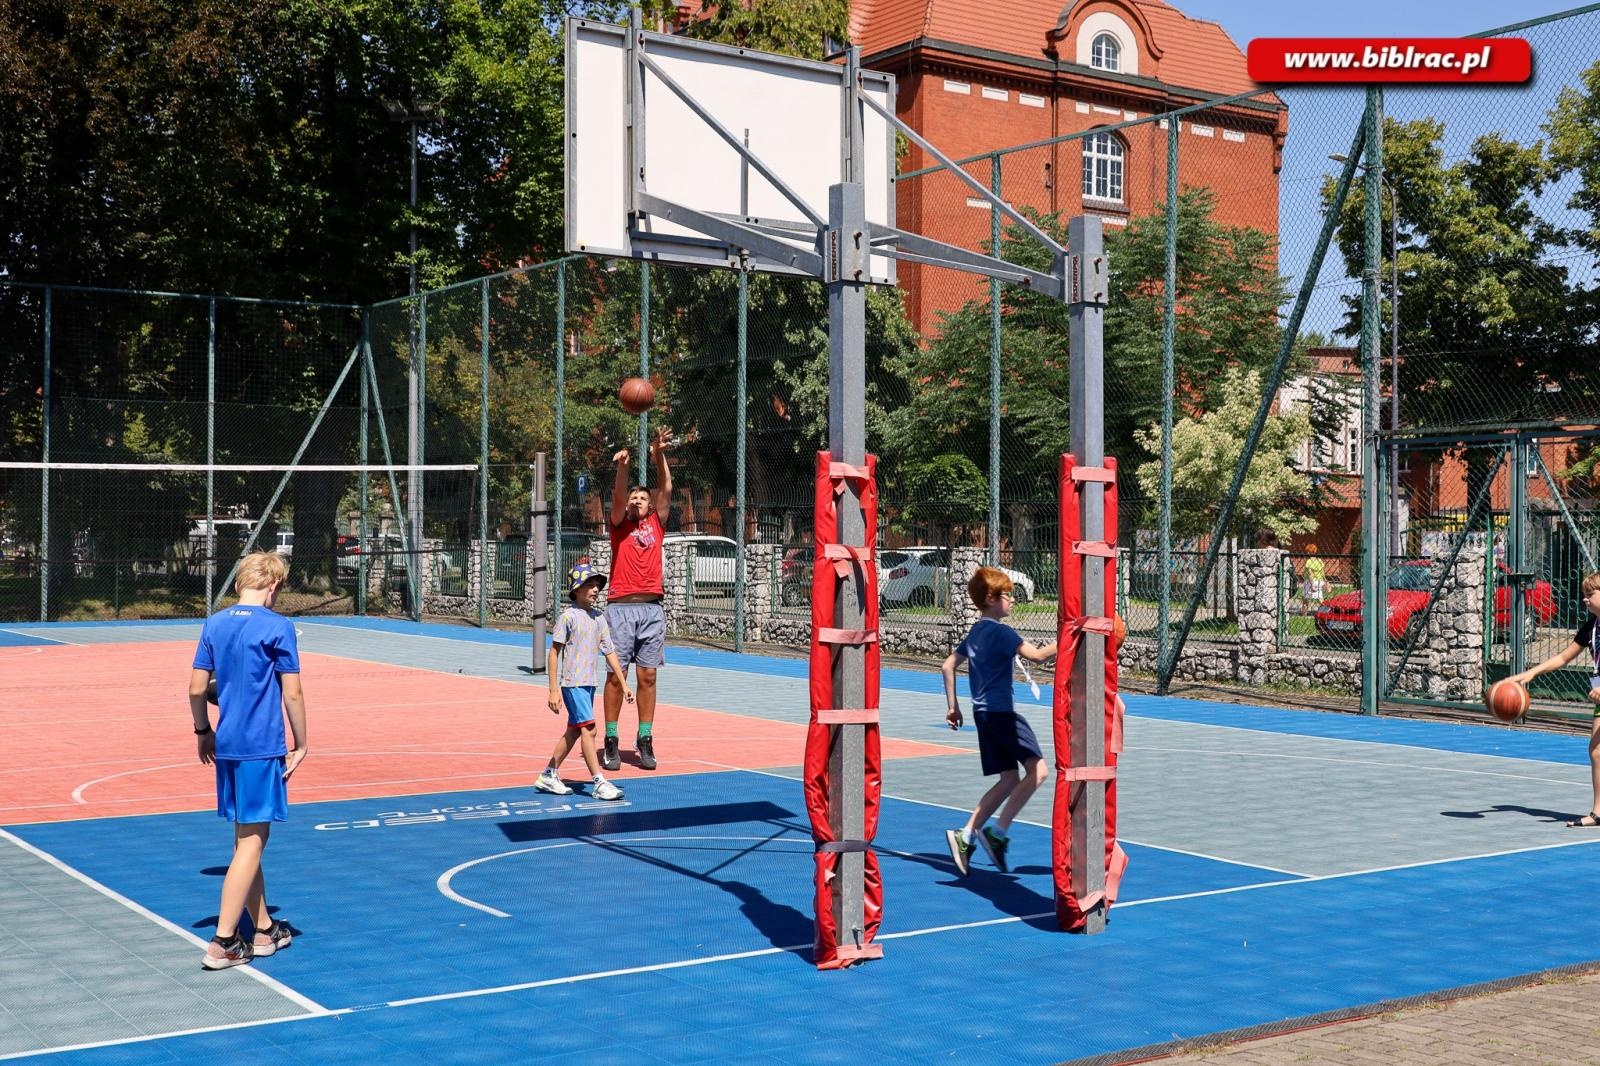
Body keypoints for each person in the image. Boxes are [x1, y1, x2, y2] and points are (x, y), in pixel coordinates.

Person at [188, 550, 308, 970]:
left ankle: (263, 929)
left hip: (227, 744)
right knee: (253, 842)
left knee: (244, 841)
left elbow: (196, 688)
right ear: (273, 585)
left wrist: (203, 731)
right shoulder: (278, 626)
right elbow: (292, 692)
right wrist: (302, 743)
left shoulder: (215, 623)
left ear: (240, 582)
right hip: (261, 746)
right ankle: (224, 941)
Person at [940, 566, 1058, 876]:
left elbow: (948, 666)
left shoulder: (976, 632)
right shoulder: (1003, 633)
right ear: (991, 599)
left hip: (982, 715)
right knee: (1039, 771)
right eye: (1008, 595)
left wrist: (953, 708)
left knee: (1008, 779)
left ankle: (966, 836)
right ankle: (997, 832)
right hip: (1002, 714)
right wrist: (1073, 635)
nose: (1013, 600)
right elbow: (1038, 656)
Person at [601, 426, 673, 772]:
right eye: (634, 498)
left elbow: (666, 488)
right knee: (617, 677)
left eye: (642, 498)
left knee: (648, 677)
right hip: (620, 609)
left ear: (650, 505)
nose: (637, 501)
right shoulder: (620, 524)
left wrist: (659, 453)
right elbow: (618, 498)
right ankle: (611, 739)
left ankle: (645, 738)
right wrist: (623, 468)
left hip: (651, 610)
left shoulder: (657, 524)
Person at [1508, 572, 1600, 827]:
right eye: (1584, 595)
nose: (1585, 599)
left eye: (1590, 594)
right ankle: (1598, 812)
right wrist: (1531, 673)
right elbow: (1562, 657)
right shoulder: (1592, 628)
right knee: (1596, 751)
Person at [537, 562, 633, 800]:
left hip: (589, 684)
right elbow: (554, 653)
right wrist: (553, 690)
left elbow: (610, 652)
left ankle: (548, 774)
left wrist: (624, 685)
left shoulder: (599, 619)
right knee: (590, 729)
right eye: (589, 585)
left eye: (597, 585)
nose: (595, 589)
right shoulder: (568, 617)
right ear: (576, 589)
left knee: (574, 731)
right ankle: (599, 782)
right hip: (573, 684)